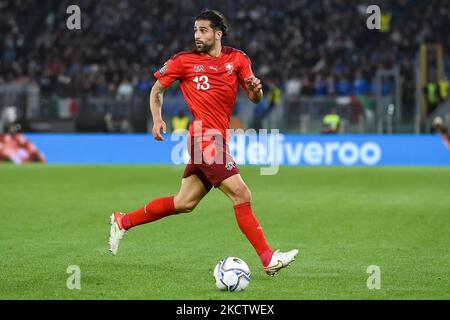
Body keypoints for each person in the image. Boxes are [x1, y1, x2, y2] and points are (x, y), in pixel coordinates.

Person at [108, 10, 298, 276]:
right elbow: (156, 90)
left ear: (218, 33)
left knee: (184, 202)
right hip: (203, 138)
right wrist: (157, 119)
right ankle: (268, 259)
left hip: (219, 138)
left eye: (203, 30)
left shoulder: (238, 59)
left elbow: (255, 97)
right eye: (195, 30)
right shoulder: (183, 61)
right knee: (242, 194)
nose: (197, 36)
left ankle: (123, 221)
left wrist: (256, 89)